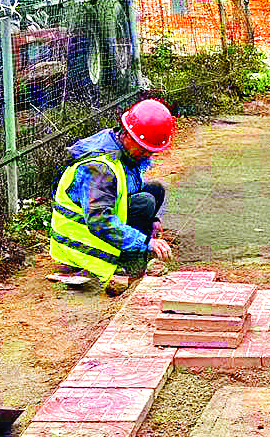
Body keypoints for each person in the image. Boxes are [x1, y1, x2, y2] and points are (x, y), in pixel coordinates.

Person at [49, 99, 176, 293]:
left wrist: (153, 220)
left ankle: (136, 243)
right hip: (84, 244)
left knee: (155, 190)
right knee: (145, 202)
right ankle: (130, 261)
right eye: (144, 150)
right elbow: (99, 221)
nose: (147, 156)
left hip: (97, 220)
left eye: (151, 151)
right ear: (129, 136)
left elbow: (129, 187)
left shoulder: (120, 145)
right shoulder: (100, 169)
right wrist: (144, 243)